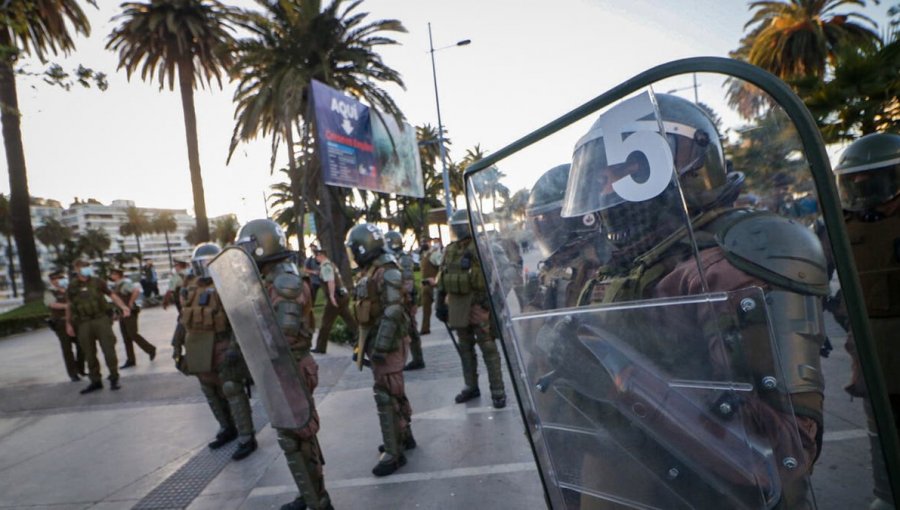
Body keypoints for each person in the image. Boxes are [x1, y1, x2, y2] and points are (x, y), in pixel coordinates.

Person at [541, 93, 827, 507]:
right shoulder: (626, 265)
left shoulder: (732, 265)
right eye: (599, 176)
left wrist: (624, 378)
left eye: (623, 168)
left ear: (679, 165)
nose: (604, 188)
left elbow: (785, 453)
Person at [234, 220, 331, 510]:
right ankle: (311, 494)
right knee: (295, 436)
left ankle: (319, 502)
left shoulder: (284, 282)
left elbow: (285, 336)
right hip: (282, 368)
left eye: (250, 247)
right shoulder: (271, 277)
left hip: (291, 368)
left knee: (298, 437)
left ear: (263, 245)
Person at [831, 131, 900, 510]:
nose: (865, 192)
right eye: (856, 183)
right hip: (869, 336)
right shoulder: (842, 225)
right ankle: (887, 493)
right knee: (879, 423)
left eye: (875, 181)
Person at [172, 243, 257, 461]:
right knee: (208, 388)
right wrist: (176, 346)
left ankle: (247, 436)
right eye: (200, 263)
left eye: (207, 262)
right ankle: (227, 428)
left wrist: (235, 349)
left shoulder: (228, 285)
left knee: (231, 388)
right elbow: (183, 319)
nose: (203, 267)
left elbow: (241, 320)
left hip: (222, 344)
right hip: (198, 346)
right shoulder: (189, 285)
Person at [346, 223, 415, 476]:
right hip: (378, 339)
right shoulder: (373, 270)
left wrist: (382, 347)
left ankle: (394, 453)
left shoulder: (386, 270)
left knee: (385, 393)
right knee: (394, 390)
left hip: (388, 343)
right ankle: (403, 436)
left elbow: (394, 310)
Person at [436, 209, 507, 409]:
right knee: (465, 349)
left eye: (461, 226)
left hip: (478, 306)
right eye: (455, 227)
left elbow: (501, 276)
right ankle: (471, 386)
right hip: (458, 306)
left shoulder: (483, 248)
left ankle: (498, 391)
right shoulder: (449, 250)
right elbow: (442, 278)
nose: (458, 230)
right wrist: (439, 304)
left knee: (488, 348)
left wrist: (490, 304)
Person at [65, 259, 132, 394]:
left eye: (87, 266)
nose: (86, 269)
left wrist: (123, 306)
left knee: (109, 350)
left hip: (101, 319)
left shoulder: (97, 281)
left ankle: (114, 378)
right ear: (77, 269)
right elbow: (69, 305)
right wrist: (68, 323)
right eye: (83, 267)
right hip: (83, 323)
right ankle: (95, 381)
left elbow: (111, 295)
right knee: (89, 353)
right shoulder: (72, 286)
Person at [385, 230, 424, 371]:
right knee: (407, 329)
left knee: (410, 329)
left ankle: (418, 359)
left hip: (406, 299)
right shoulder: (393, 257)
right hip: (402, 298)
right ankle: (416, 359)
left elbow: (408, 281)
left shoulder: (403, 258)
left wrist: (407, 299)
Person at [311, 248, 356, 354]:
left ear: (321, 256)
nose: (316, 258)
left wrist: (331, 296)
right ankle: (363, 340)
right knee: (350, 321)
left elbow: (330, 281)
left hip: (336, 297)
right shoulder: (331, 264)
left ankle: (320, 347)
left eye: (317, 256)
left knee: (326, 323)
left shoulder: (326, 266)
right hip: (343, 296)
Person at [109, 267, 156, 368]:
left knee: (132, 334)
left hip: (130, 312)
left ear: (117, 274)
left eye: (112, 273)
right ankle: (130, 360)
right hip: (122, 313)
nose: (111, 275)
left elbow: (136, 291)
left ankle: (150, 349)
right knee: (126, 337)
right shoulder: (117, 285)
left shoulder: (125, 283)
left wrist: (130, 302)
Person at [44, 270, 85, 381]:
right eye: (54, 279)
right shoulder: (50, 292)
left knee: (82, 345)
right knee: (67, 348)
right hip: (60, 322)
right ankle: (73, 373)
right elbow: (52, 304)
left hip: (76, 321)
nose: (56, 281)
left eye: (59, 278)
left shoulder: (70, 290)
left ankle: (80, 368)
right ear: (51, 281)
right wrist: (67, 306)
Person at [418, 238, 441, 336]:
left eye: (425, 242)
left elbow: (442, 266)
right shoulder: (424, 255)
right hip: (425, 285)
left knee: (441, 306)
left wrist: (437, 280)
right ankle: (425, 328)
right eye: (422, 242)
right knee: (425, 309)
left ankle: (452, 324)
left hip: (433, 286)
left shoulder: (434, 254)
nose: (423, 244)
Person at [304, 246, 321, 330]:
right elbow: (305, 270)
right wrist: (314, 272)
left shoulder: (320, 259)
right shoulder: (309, 260)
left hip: (322, 281)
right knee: (312, 296)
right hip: (314, 281)